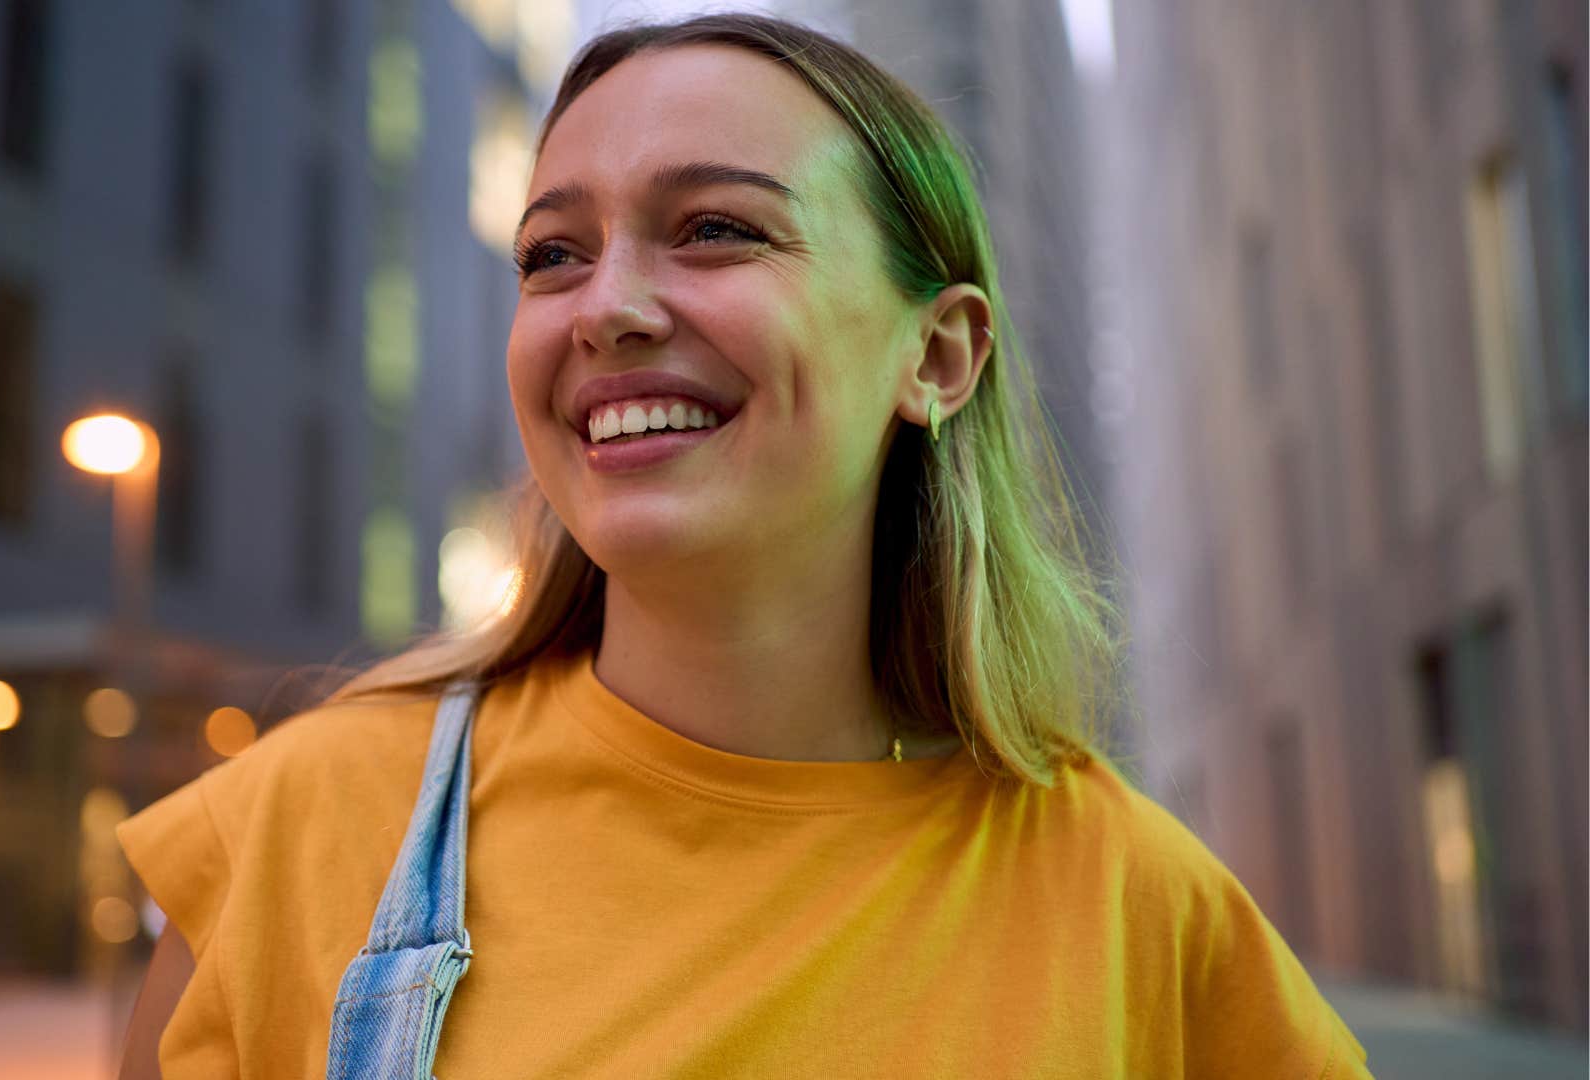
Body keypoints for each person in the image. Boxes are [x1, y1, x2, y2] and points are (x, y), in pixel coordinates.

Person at [116, 13, 1373, 1079]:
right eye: (554, 254)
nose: (606, 307)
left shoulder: (1136, 908)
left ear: (937, 356)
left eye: (717, 229)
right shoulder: (302, 826)